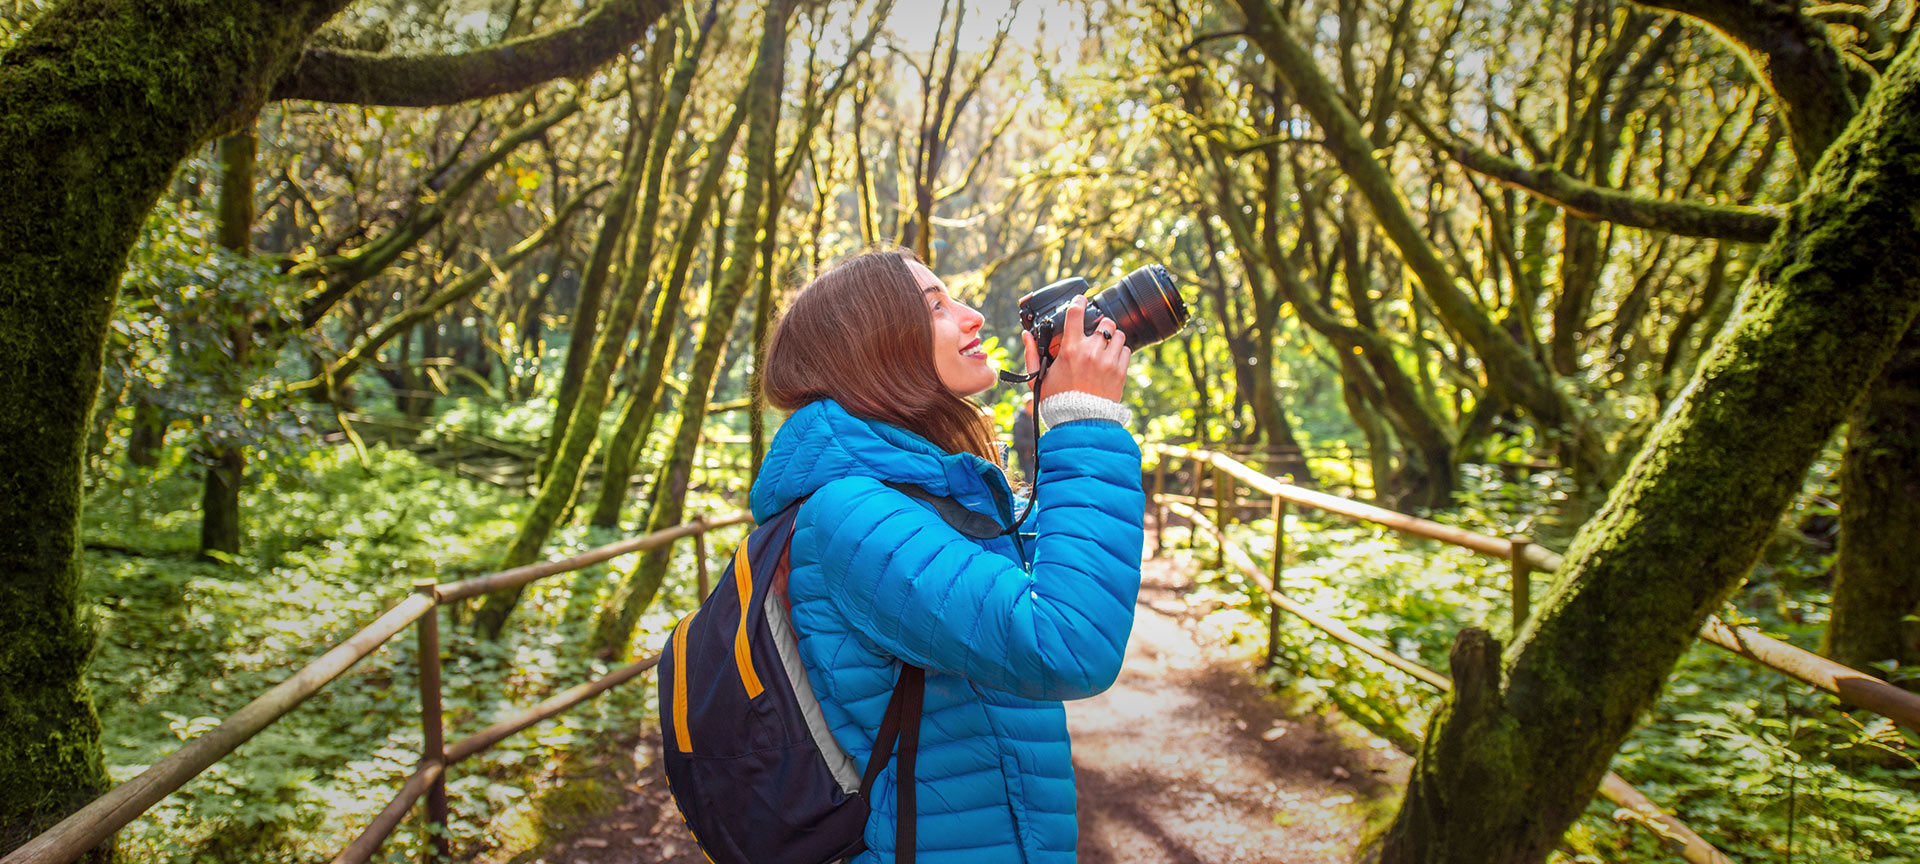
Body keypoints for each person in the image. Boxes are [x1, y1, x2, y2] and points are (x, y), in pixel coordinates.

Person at [754, 248, 1144, 864]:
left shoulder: (924, 492)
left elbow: (1064, 570)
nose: (974, 318)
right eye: (936, 307)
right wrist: (1083, 420)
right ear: (871, 346)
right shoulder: (851, 516)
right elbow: (1068, 641)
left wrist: (1064, 401)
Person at [1010, 393, 1038, 486]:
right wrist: (1034, 443)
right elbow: (1018, 440)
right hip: (1025, 456)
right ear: (1028, 404)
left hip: (1032, 456)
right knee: (1029, 480)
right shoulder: (1020, 420)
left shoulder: (1031, 418)